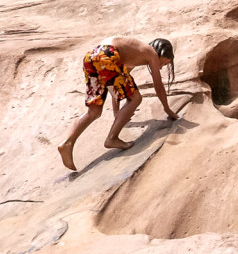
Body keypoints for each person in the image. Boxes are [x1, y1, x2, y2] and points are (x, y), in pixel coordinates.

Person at [58, 37, 180, 171]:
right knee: (136, 98)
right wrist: (167, 109)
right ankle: (112, 138)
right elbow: (158, 85)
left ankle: (67, 144)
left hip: (91, 56)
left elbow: (116, 88)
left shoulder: (132, 54)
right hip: (107, 54)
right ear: (160, 52)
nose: (160, 67)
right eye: (163, 63)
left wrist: (117, 114)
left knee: (94, 111)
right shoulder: (151, 53)